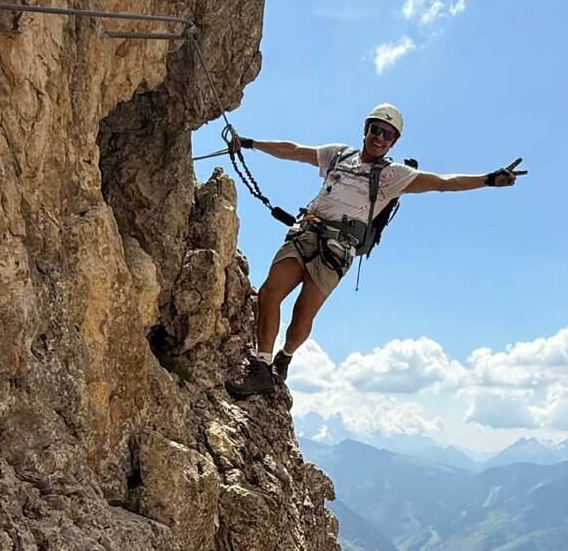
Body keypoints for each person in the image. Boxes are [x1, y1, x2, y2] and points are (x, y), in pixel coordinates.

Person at [225, 103, 527, 398]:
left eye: (387, 134)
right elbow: (294, 150)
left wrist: (488, 179)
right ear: (366, 129)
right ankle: (262, 368)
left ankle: (285, 356)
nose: (379, 137)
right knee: (269, 293)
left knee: (303, 313)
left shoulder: (393, 175)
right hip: (307, 232)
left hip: (337, 248)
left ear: (394, 141)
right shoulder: (338, 154)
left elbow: (443, 183)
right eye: (376, 129)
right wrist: (249, 143)